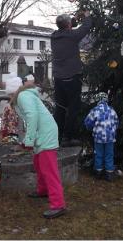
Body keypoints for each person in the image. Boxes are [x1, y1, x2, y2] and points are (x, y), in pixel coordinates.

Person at [10, 76, 66, 219]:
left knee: (49, 169)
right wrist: (29, 139)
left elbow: (32, 116)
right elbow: (30, 119)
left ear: (13, 90)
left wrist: (28, 140)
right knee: (39, 164)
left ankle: (58, 204)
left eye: (9, 93)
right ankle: (43, 190)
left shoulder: (22, 96)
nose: (9, 96)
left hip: (46, 133)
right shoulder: (24, 95)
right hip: (42, 132)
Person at [51, 10, 92, 147]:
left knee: (60, 108)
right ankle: (68, 138)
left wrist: (73, 19)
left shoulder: (54, 36)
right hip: (72, 78)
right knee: (73, 108)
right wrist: (86, 16)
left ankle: (57, 137)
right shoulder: (72, 36)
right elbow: (86, 27)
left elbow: (67, 27)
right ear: (68, 25)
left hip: (58, 79)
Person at [83, 92, 119, 181]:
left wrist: (90, 128)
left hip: (98, 137)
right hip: (110, 137)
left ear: (97, 100)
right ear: (106, 100)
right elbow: (116, 122)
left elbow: (88, 122)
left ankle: (98, 172)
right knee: (109, 154)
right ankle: (109, 173)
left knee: (99, 154)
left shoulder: (95, 110)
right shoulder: (112, 110)